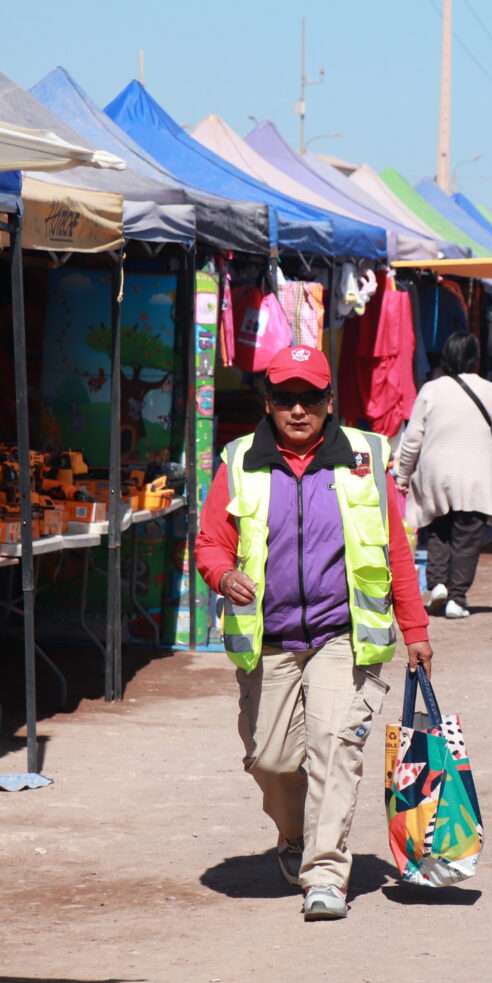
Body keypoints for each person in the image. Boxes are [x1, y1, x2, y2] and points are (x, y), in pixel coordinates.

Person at [196, 346, 432, 922]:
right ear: (269, 402)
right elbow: (210, 541)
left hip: (340, 638)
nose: (298, 410)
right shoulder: (240, 459)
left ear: (330, 402)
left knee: (335, 749)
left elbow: (395, 549)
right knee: (270, 760)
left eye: (310, 398)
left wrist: (415, 627)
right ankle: (296, 836)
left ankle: (326, 873)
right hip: (269, 641)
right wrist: (223, 575)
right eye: (285, 399)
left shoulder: (365, 456)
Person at [396, 332, 492, 618]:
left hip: (434, 474)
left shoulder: (430, 390)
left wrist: (402, 474)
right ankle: (457, 597)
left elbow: (412, 439)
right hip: (475, 475)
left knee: (439, 530)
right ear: (475, 358)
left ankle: (438, 583)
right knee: (467, 536)